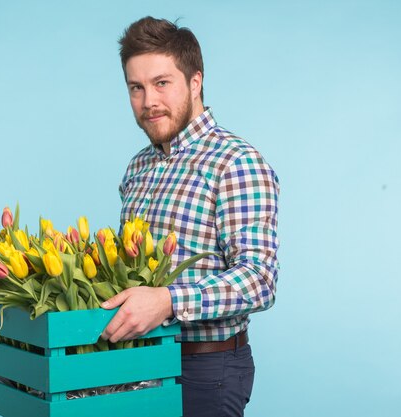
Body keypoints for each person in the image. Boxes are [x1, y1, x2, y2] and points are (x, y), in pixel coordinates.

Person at [100, 16, 280, 417]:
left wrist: (167, 301)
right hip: (139, 363)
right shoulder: (138, 168)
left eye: (162, 83)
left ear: (194, 82)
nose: (149, 102)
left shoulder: (235, 162)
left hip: (207, 368)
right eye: (136, 88)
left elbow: (260, 280)